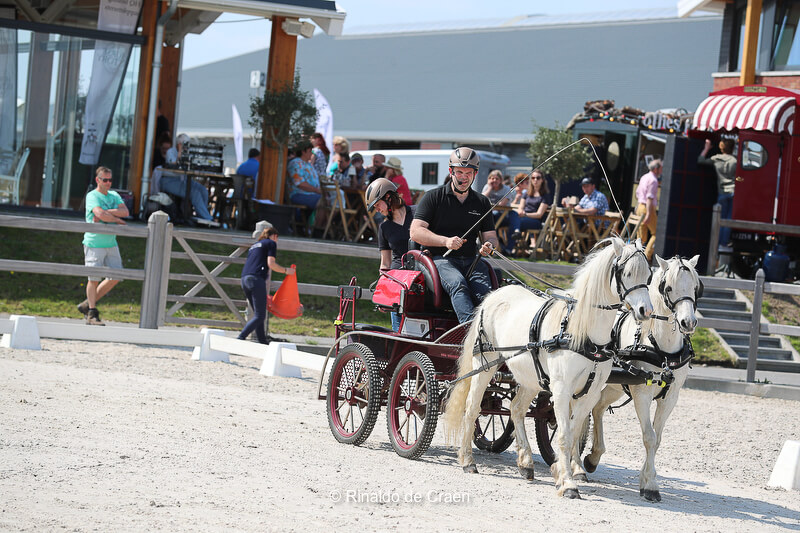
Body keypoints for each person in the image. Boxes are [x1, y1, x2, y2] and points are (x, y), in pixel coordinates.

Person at [410, 147, 499, 323]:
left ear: (475, 173)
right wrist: (446, 241)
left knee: (488, 296)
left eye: (468, 172)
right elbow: (415, 231)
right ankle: (469, 333)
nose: (463, 177)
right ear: (451, 171)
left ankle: (490, 333)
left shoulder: (482, 202)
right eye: (459, 172)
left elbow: (491, 237)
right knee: (458, 284)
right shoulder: (433, 197)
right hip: (440, 259)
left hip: (472, 261)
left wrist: (490, 246)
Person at [77, 167, 129, 326]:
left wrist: (106, 214)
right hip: (94, 242)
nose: (108, 183)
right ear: (97, 180)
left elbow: (125, 212)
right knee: (93, 279)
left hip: (111, 242)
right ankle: (92, 311)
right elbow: (98, 214)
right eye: (104, 180)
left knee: (116, 276)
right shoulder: (92, 195)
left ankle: (87, 304)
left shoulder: (114, 195)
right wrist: (115, 219)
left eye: (110, 180)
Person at [366, 178, 414, 331]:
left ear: (388, 197)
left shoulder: (418, 213)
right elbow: (385, 264)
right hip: (397, 279)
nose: (377, 209)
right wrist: (383, 291)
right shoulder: (384, 227)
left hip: (420, 273)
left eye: (377, 204)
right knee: (398, 330)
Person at [237, 227, 295, 344]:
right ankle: (240, 338)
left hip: (244, 279)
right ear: (274, 236)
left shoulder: (255, 245)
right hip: (256, 280)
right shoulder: (271, 243)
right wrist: (286, 270)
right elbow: (271, 264)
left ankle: (262, 341)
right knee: (260, 315)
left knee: (258, 314)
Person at [157, 133, 214, 222]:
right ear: (178, 144)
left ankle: (202, 216)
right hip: (169, 180)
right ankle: (207, 218)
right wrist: (180, 151)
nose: (186, 147)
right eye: (184, 144)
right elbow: (177, 165)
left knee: (203, 191)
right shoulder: (171, 152)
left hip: (183, 179)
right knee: (195, 193)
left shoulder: (188, 152)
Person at [698, 138, 736, 246]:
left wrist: (706, 148)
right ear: (732, 148)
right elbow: (739, 178)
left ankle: (717, 244)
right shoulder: (735, 161)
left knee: (719, 220)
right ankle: (724, 243)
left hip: (722, 192)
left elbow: (700, 160)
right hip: (733, 192)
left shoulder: (716, 158)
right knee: (728, 220)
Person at [504, 169, 551, 255]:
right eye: (533, 178)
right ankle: (515, 235)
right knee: (512, 214)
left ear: (542, 180)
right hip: (522, 218)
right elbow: (520, 207)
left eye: (538, 178)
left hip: (535, 221)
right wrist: (521, 212)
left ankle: (508, 249)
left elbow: (539, 214)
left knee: (514, 221)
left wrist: (525, 214)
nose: (535, 180)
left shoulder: (545, 195)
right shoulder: (526, 193)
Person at [635, 158, 662, 261]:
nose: (662, 171)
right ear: (656, 169)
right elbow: (649, 198)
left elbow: (637, 194)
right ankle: (646, 257)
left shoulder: (644, 177)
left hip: (640, 206)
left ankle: (637, 257)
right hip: (648, 208)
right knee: (656, 234)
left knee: (641, 237)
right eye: (661, 168)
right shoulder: (654, 180)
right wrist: (649, 213)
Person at [286, 139, 322, 210]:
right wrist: (316, 190)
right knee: (324, 201)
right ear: (303, 152)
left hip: (311, 194)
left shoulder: (308, 164)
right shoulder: (295, 163)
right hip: (299, 194)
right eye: (310, 151)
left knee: (333, 200)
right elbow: (300, 183)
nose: (312, 153)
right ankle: (318, 221)